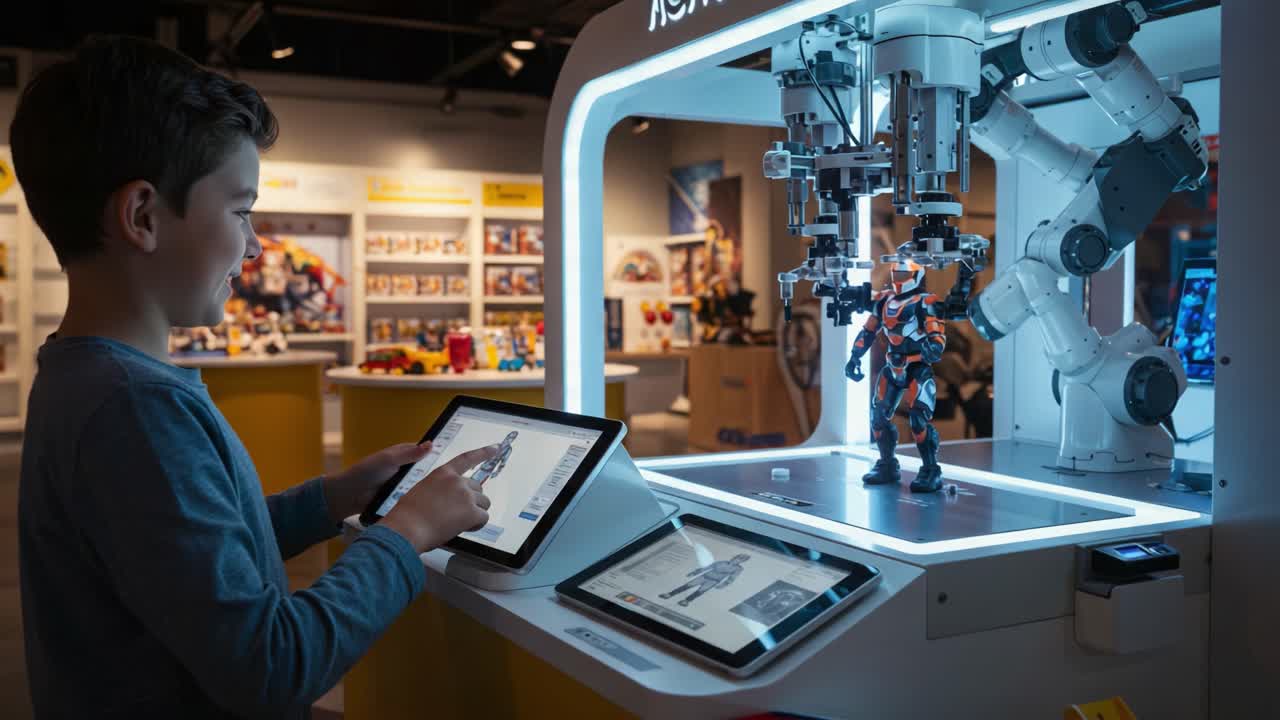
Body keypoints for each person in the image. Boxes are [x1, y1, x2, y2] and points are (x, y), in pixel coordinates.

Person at [12, 36, 500, 719]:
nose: (256, 244)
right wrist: (406, 535)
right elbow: (272, 666)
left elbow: (194, 566)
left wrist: (331, 497)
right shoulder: (135, 408)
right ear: (143, 216)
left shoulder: (87, 378)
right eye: (241, 210)